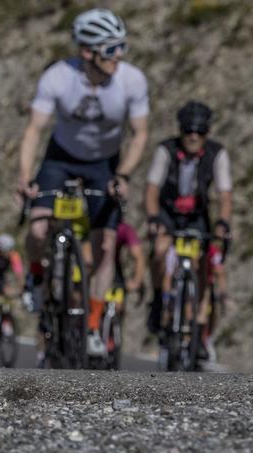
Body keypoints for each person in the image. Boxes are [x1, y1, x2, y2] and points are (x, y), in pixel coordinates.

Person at [16, 8, 149, 358]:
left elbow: (139, 135)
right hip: (60, 157)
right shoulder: (57, 78)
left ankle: (92, 323)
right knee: (40, 228)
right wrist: (25, 177)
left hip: (105, 162)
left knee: (105, 243)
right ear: (87, 52)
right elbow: (34, 131)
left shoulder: (131, 80)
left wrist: (123, 176)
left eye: (122, 47)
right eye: (110, 49)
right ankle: (34, 275)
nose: (118, 56)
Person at [144, 101, 233, 340]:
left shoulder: (217, 153)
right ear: (180, 130)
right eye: (188, 131)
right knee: (160, 250)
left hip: (197, 215)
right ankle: (157, 300)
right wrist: (153, 218)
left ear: (208, 133)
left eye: (200, 132)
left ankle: (197, 318)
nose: (193, 137)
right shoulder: (166, 150)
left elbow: (225, 195)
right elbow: (152, 189)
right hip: (168, 213)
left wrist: (223, 222)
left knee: (203, 261)